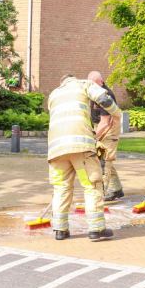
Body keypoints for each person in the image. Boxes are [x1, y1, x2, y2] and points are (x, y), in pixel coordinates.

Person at [47, 74, 122, 242]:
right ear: (74, 79)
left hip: (56, 150)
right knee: (91, 185)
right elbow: (104, 98)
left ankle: (60, 229)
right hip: (81, 147)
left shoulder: (53, 94)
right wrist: (117, 114)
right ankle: (96, 228)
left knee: (61, 188)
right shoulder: (83, 85)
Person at [87, 71, 123, 202]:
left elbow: (104, 122)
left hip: (109, 129)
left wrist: (94, 138)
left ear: (101, 82)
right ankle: (116, 189)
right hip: (99, 127)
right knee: (105, 161)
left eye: (94, 84)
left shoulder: (106, 96)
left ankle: (99, 196)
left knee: (104, 161)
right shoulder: (93, 92)